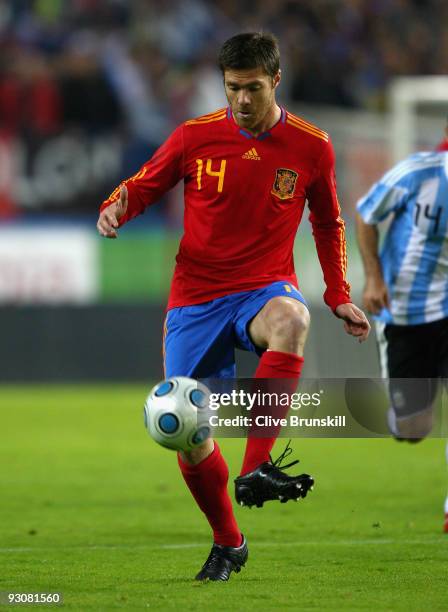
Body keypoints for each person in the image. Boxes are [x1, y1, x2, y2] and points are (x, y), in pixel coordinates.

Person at [97, 32, 371, 581]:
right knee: (185, 432)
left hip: (263, 287)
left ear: (275, 80)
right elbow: (145, 185)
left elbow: (328, 221)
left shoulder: (312, 145)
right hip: (196, 298)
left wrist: (338, 294)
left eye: (251, 88)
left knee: (293, 320)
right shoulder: (194, 136)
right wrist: (116, 207)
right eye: (231, 89)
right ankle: (229, 542)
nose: (241, 101)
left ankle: (257, 468)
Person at [355, 128, 448, 533]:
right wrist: (373, 279)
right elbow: (365, 213)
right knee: (414, 428)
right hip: (407, 312)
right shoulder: (417, 173)